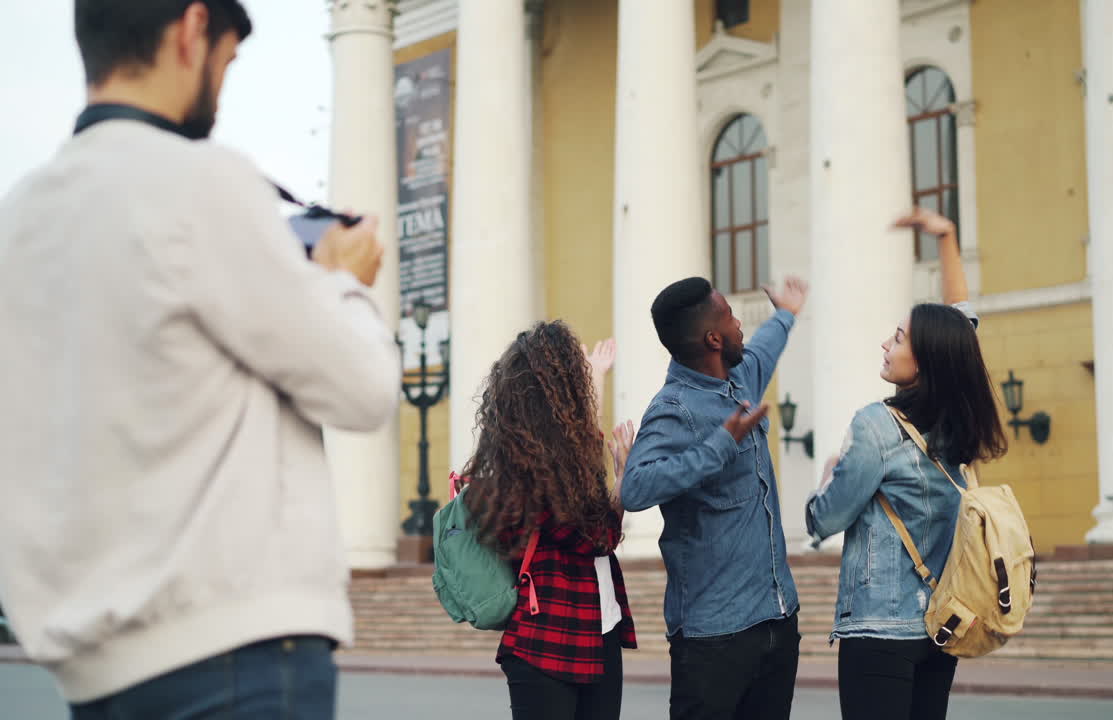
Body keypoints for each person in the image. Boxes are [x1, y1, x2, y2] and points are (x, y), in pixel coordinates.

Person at [0, 1, 400, 717]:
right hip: (235, 653)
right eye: (226, 61)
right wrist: (341, 280)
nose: (221, 88)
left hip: (93, 666)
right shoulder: (201, 181)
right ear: (191, 31)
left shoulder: (20, 215)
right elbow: (363, 390)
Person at [805, 207, 1009, 720]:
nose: (886, 343)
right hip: (940, 624)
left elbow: (825, 518)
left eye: (898, 338)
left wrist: (830, 472)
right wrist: (946, 239)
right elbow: (962, 323)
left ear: (926, 359)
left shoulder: (877, 424)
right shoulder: (960, 416)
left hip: (879, 629)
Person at [621, 275, 809, 720]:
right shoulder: (674, 409)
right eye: (729, 316)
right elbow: (635, 488)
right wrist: (720, 444)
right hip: (714, 640)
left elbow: (763, 348)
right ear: (712, 338)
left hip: (777, 620)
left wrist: (786, 314)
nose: (739, 322)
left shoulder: (740, 378)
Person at [455, 323, 638, 720]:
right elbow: (599, 535)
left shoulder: (543, 461)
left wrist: (598, 380)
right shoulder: (535, 475)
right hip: (551, 640)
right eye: (576, 382)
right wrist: (623, 478)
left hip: (590, 631)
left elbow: (583, 452)